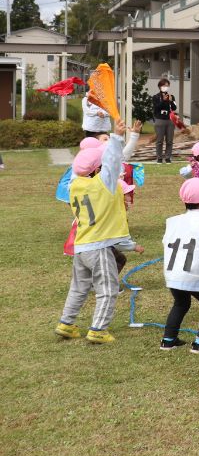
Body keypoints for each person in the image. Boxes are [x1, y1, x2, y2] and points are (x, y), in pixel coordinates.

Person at [56, 121, 144, 344]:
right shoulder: (102, 185)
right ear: (97, 169)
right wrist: (115, 137)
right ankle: (98, 329)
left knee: (78, 288)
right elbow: (114, 162)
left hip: (81, 246)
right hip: (99, 248)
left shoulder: (75, 185)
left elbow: (101, 163)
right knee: (108, 289)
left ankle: (66, 323)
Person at [160, 178, 199, 352]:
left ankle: (168, 339)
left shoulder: (172, 221)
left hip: (173, 273)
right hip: (195, 273)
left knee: (180, 304)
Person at [150, 78, 177, 162]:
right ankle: (159, 157)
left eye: (167, 85)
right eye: (164, 85)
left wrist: (171, 101)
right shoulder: (156, 97)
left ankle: (168, 157)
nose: (165, 87)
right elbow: (156, 108)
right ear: (160, 86)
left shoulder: (171, 96)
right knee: (159, 140)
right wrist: (163, 101)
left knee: (169, 140)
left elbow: (174, 108)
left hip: (170, 120)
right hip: (160, 120)